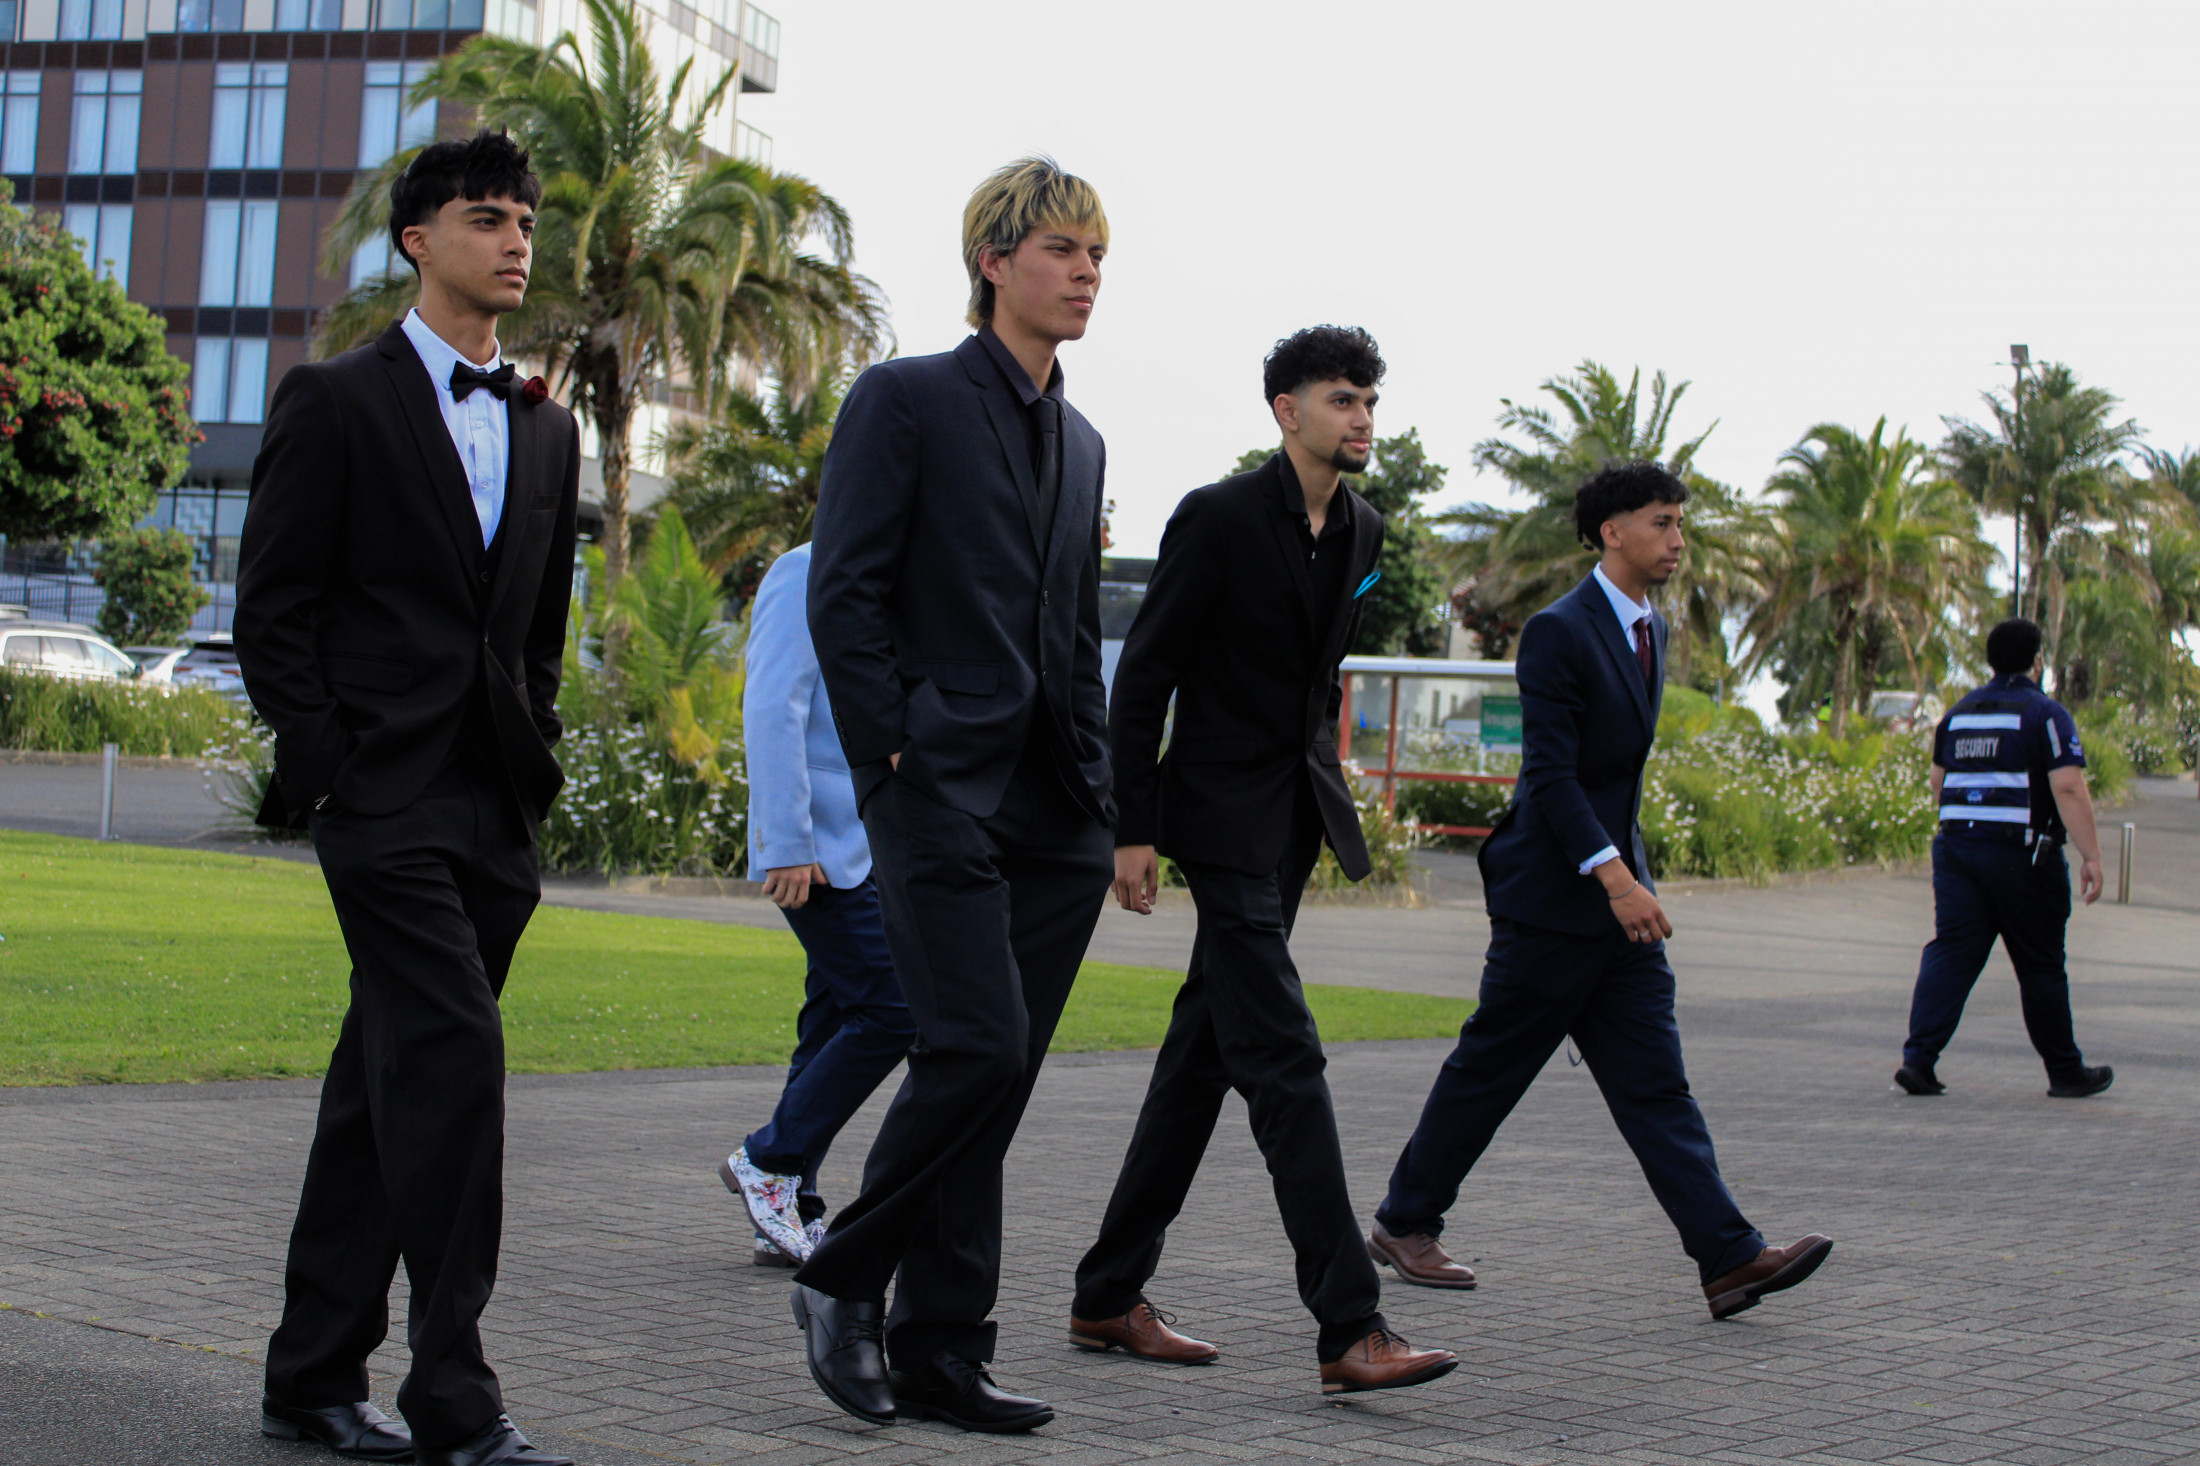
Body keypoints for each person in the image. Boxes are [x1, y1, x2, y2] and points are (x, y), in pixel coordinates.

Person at [237, 133, 580, 1466]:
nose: (515, 242)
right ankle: (455, 1397)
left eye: (525, 222)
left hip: (493, 809)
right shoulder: (334, 400)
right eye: (487, 218)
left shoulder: (547, 426)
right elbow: (273, 609)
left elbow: (537, 630)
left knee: (377, 1089)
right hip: (381, 802)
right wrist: (333, 761)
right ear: (416, 240)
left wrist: (535, 752)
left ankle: (311, 1375)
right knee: (452, 1062)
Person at [789, 157, 1117, 1435]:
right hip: (933, 786)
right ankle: (840, 1274)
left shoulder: (1083, 440)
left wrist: (1097, 791)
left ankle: (942, 1343)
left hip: (1054, 809)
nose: (1085, 273)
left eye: (1097, 255)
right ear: (994, 260)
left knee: (998, 1076)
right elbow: (844, 590)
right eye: (1062, 250)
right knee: (973, 1047)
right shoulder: (907, 396)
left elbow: (1074, 631)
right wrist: (890, 753)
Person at [1068, 326, 1457, 1396]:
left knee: (1200, 1061)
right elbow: (1145, 676)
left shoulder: (1364, 528)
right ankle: (1350, 1323)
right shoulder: (1218, 515)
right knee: (1285, 1058)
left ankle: (1106, 1292)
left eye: (1369, 401)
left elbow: (1316, 678)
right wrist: (1132, 826)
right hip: (1215, 818)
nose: (1361, 418)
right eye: (1341, 400)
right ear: (1287, 411)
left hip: (1291, 821)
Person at [1371, 462, 1832, 1323]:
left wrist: (1630, 880)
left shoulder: (1651, 628)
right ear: (1612, 532)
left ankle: (1729, 1259)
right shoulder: (1559, 631)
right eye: (1662, 522)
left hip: (1619, 910)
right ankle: (1405, 1221)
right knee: (1491, 1071)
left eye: (1680, 523)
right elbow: (1551, 777)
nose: (1678, 539)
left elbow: (1618, 780)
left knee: (1655, 1086)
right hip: (1554, 902)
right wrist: (1617, 880)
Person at [721, 540, 916, 1266]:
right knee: (895, 1007)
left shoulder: (899, 575)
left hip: (877, 839)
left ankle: (790, 1206)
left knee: (832, 1019)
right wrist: (784, 839)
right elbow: (773, 702)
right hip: (817, 841)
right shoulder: (807, 566)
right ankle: (768, 1159)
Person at [1895, 617, 2113, 1099]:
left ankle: (1918, 1060)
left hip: (1957, 852)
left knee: (1952, 953)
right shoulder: (2045, 714)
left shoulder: (1958, 715)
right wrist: (2092, 856)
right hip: (2022, 856)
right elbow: (2067, 786)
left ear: (1991, 660)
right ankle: (2065, 1072)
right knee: (2040, 965)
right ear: (2038, 660)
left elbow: (1938, 783)